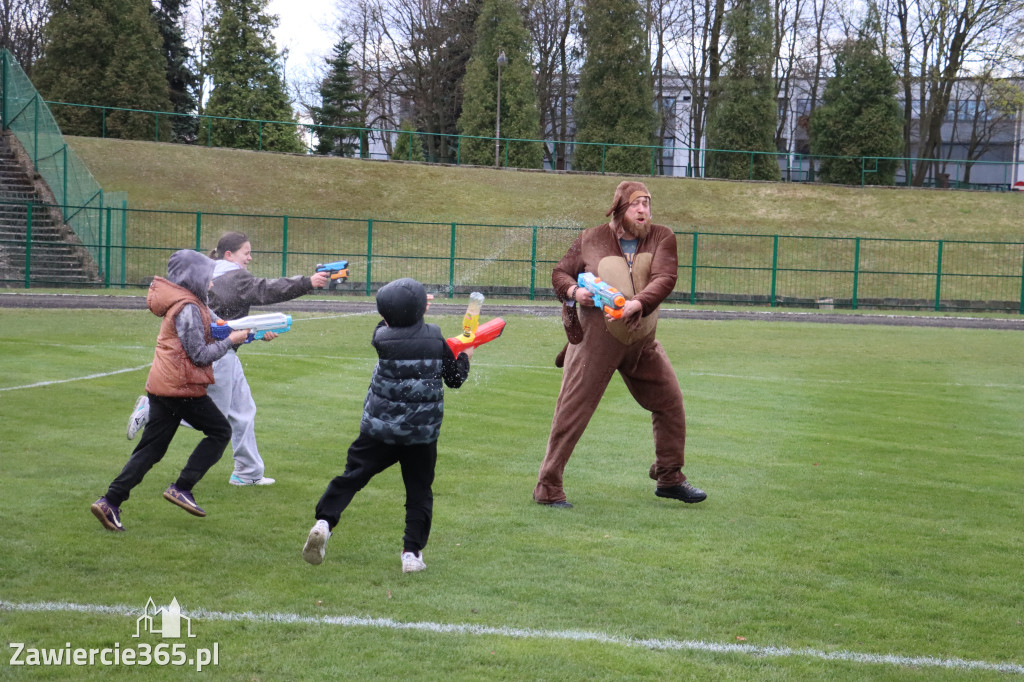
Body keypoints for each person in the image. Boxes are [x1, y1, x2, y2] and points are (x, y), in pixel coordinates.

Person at [533, 180, 707, 509]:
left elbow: (665, 277)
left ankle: (669, 477)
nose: (644, 211)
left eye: (648, 205)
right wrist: (574, 292)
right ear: (620, 208)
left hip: (642, 341)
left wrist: (638, 303)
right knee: (571, 414)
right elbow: (560, 274)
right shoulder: (591, 238)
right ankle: (548, 486)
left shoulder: (662, 237)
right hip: (595, 343)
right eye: (637, 205)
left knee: (670, 403)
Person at [126, 231, 329, 486]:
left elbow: (225, 322)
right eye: (247, 252)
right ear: (229, 254)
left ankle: (248, 472)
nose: (250, 258)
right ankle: (152, 412)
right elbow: (267, 290)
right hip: (219, 355)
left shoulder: (211, 274)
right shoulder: (234, 276)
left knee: (243, 410)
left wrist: (252, 335)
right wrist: (308, 282)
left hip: (222, 350)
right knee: (216, 418)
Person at [302, 278, 472, 573]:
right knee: (419, 492)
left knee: (352, 477)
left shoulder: (381, 337)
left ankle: (324, 523)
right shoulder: (435, 338)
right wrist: (466, 356)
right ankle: (411, 554)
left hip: (378, 432)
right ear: (420, 311)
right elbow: (454, 378)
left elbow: (396, 324)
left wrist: (412, 310)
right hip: (420, 435)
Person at [91, 250, 251, 531]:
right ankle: (182, 487)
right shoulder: (187, 306)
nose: (212, 283)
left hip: (165, 386)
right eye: (208, 278)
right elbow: (200, 354)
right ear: (195, 278)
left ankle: (110, 502)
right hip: (180, 388)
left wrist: (253, 334)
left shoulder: (190, 301)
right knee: (220, 432)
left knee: (151, 450)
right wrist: (232, 341)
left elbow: (217, 329)